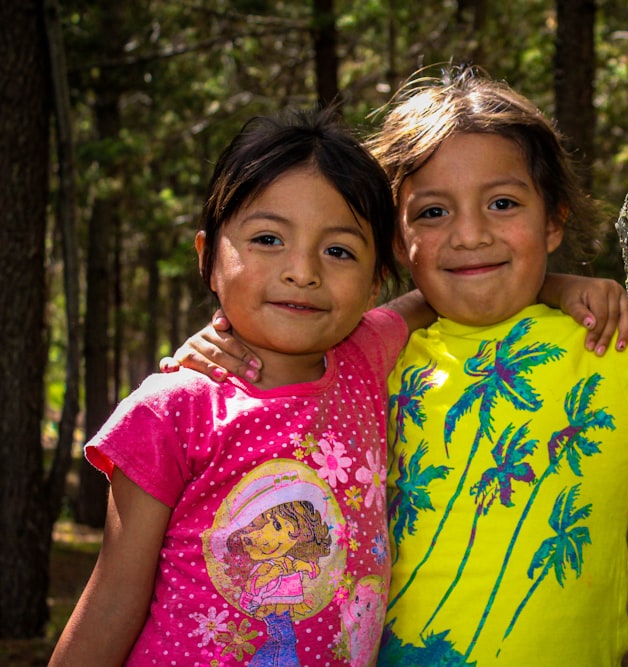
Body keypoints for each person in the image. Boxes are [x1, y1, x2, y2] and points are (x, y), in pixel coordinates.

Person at [166, 66, 628, 666]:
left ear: (553, 220)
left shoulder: (610, 340)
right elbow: (271, 362)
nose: (470, 235)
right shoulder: (367, 360)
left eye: (502, 204)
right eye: (434, 213)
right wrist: (213, 344)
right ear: (397, 240)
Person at [50, 107, 432, 667]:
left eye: (339, 251)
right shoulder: (173, 408)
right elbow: (111, 602)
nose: (303, 271)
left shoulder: (365, 359)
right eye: (269, 238)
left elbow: (446, 289)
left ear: (376, 279)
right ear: (208, 259)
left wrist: (559, 283)